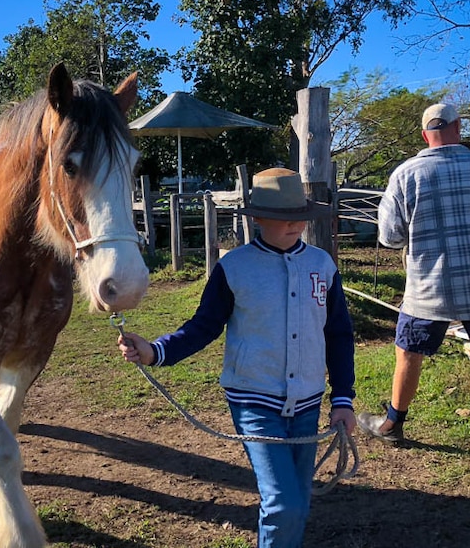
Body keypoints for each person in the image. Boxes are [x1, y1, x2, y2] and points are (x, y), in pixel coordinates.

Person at [117, 168, 356, 548]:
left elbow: (338, 334)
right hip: (254, 402)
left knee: (297, 501)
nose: (295, 223)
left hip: (309, 401)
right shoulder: (235, 267)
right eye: (282, 216)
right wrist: (155, 351)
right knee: (283, 505)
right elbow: (204, 326)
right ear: (257, 218)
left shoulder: (323, 266)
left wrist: (342, 398)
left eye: (299, 214)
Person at [356, 103, 470, 479]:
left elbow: (389, 237)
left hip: (427, 288)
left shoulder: (406, 174)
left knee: (408, 354)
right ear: (458, 128)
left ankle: (392, 424)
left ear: (424, 136)